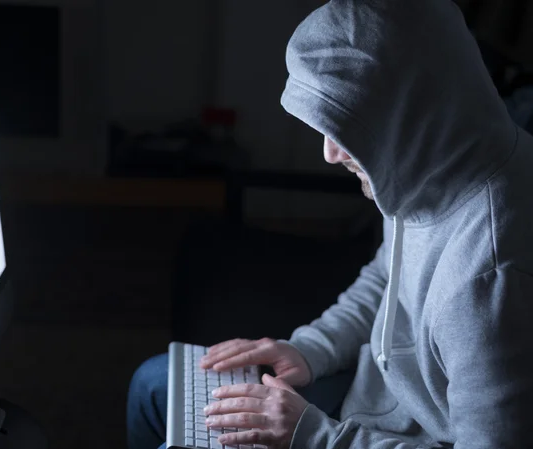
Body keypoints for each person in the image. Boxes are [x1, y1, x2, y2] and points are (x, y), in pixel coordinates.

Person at [127, 0, 533, 447]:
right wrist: (310, 349)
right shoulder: (433, 167)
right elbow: (386, 280)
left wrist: (314, 435)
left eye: (352, 127)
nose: (331, 153)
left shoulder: (491, 281)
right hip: (369, 401)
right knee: (154, 381)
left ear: (413, 114)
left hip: (368, 436)